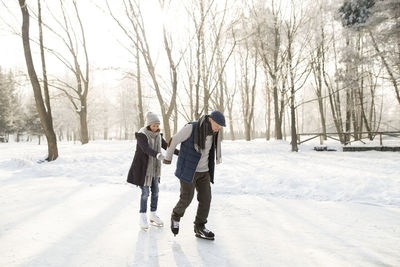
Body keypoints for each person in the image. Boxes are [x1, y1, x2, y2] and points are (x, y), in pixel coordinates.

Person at [163, 110, 225, 240]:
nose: (218, 129)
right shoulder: (192, 128)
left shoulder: (215, 133)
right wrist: (168, 158)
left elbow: (214, 148)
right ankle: (176, 215)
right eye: (217, 125)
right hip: (188, 170)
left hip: (204, 171)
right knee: (187, 198)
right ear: (210, 120)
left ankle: (200, 226)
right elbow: (174, 140)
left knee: (206, 198)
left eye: (220, 127)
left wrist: (217, 160)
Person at [127, 112, 179, 230]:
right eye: (153, 125)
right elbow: (146, 149)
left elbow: (167, 146)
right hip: (144, 169)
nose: (156, 127)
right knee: (145, 193)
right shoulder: (142, 135)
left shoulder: (158, 135)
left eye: (157, 125)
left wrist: (180, 153)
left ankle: (153, 214)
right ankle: (143, 216)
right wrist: (158, 155)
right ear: (149, 124)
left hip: (155, 169)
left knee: (156, 192)